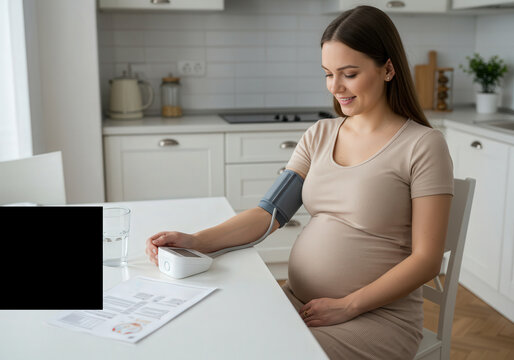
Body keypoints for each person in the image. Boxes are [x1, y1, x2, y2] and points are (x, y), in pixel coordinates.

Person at [145, 5, 454, 360]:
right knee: (216, 335)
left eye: (349, 74)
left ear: (387, 68)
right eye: (328, 74)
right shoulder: (319, 135)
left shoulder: (423, 145)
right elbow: (268, 213)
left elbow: (428, 259)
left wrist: (350, 305)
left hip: (376, 318)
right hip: (300, 302)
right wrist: (196, 240)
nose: (335, 87)